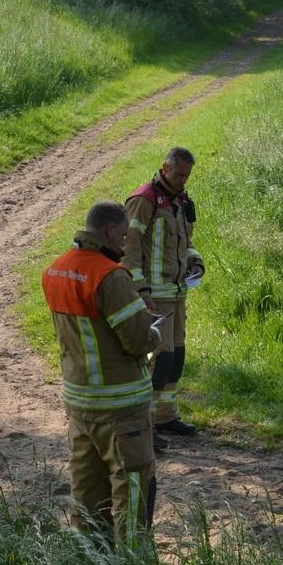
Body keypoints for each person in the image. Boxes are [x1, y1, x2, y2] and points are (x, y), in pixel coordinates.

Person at [42, 201, 164, 544]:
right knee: (132, 486)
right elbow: (138, 340)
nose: (125, 244)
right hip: (122, 407)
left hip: (80, 406)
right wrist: (156, 333)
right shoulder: (109, 276)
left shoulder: (55, 270)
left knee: (87, 490)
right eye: (124, 236)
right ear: (109, 231)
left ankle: (91, 560)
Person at [124, 147, 204, 448]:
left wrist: (196, 261)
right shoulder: (143, 200)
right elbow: (128, 249)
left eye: (186, 176)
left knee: (177, 357)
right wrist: (140, 291)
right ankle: (144, 424)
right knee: (161, 359)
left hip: (178, 293)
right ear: (164, 167)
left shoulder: (180, 200)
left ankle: (166, 416)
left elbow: (186, 241)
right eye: (178, 174)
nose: (182, 180)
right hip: (154, 297)